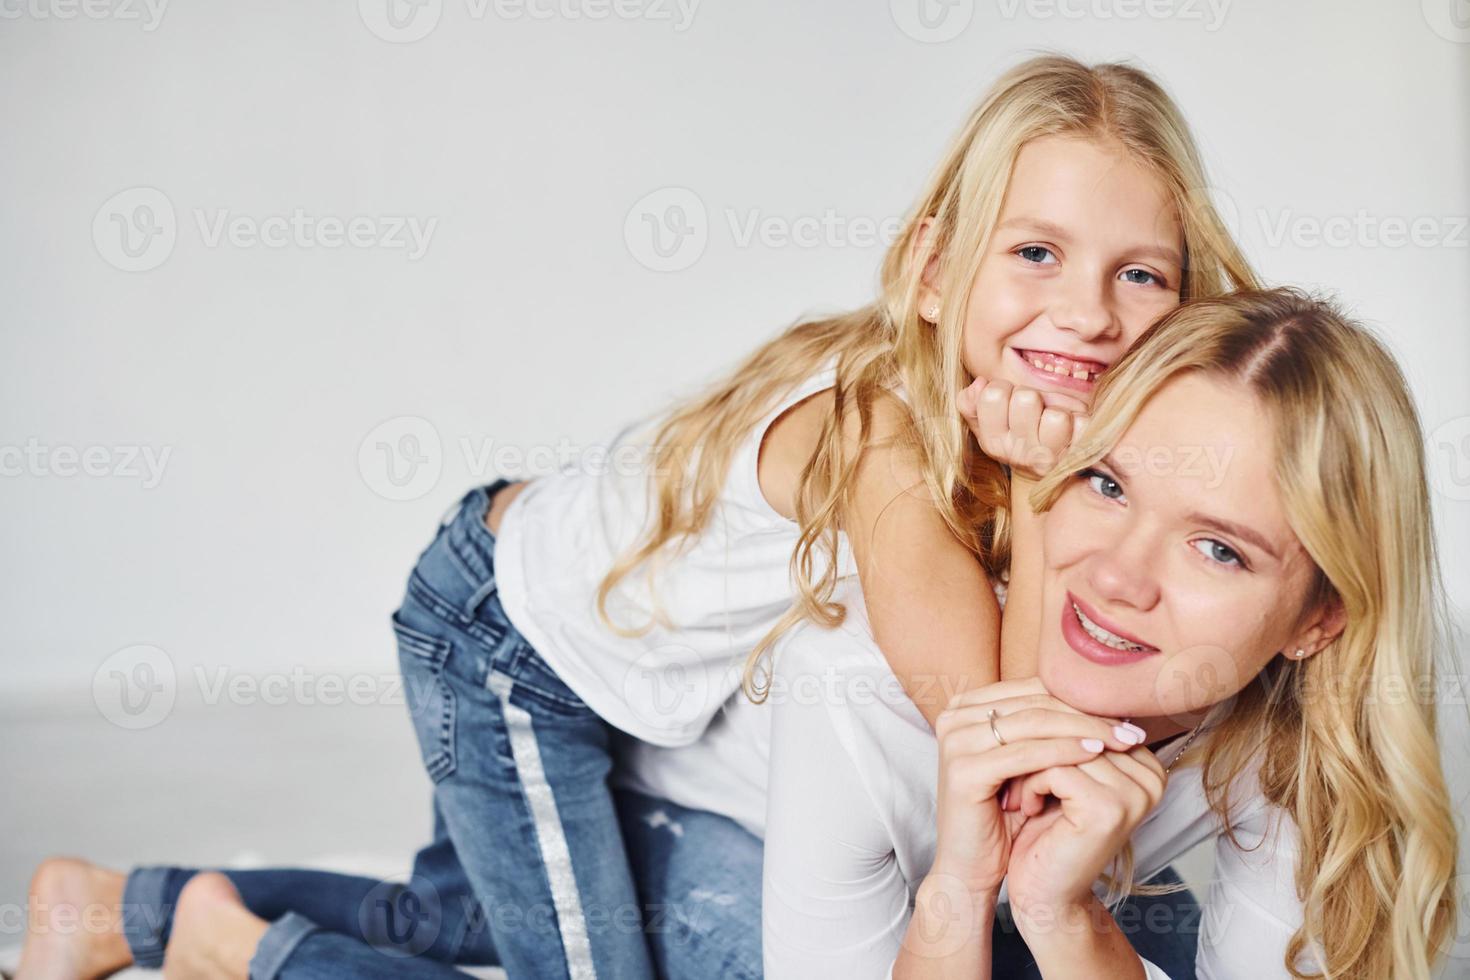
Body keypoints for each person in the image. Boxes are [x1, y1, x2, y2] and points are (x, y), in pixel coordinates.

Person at [17, 53, 1252, 979]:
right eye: (1035, 253)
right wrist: (1043, 495)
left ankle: (111, 904)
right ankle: (234, 946)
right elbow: (980, 711)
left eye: (1139, 273)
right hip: (506, 641)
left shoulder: (1072, 432)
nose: (1089, 311)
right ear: (934, 274)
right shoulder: (879, 431)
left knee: (466, 919)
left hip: (620, 667)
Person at [632, 288, 1459, 978]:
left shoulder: (1297, 742)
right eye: (1105, 483)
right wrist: (961, 882)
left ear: (1320, 620)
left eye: (1218, 549)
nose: (1114, 578)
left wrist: (1063, 917)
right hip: (697, 823)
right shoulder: (852, 685)